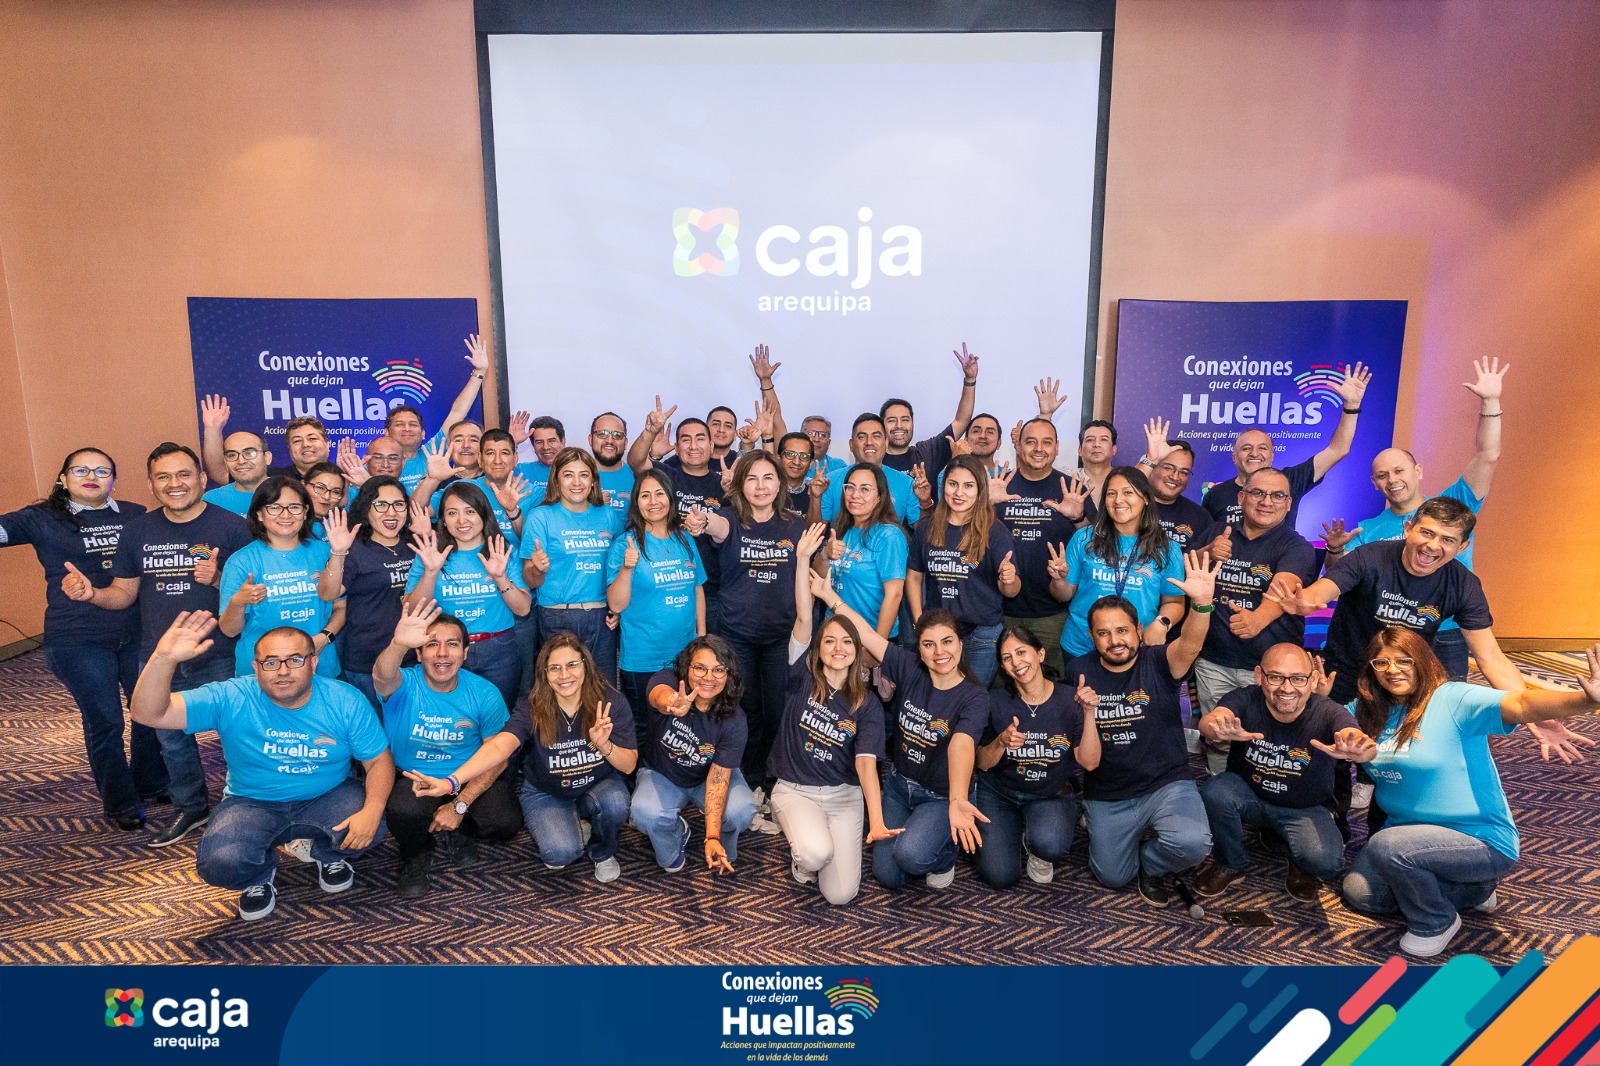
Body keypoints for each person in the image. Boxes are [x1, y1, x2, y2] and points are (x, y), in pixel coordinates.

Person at [1338, 630, 1600, 957]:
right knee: (1362, 894)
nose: (1393, 670)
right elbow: (1329, 721)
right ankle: (1472, 889)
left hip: (1476, 838)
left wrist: (1587, 701)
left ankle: (1436, 921)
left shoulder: (1453, 699)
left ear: (1422, 661)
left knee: (1386, 846)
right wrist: (1313, 696)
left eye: (1404, 661)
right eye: (1382, 662)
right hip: (1407, 833)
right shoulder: (1365, 710)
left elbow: (1520, 703)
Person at [129, 613, 392, 920]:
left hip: (327, 795)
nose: (283, 671)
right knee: (220, 863)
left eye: (295, 660)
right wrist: (163, 659)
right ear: (255, 668)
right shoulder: (231, 696)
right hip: (252, 801)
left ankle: (321, 852)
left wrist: (373, 810)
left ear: (313, 663)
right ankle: (259, 876)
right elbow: (149, 714)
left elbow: (378, 760)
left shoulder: (345, 699)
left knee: (374, 824)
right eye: (271, 662)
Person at [87, 443, 251, 845]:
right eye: (163, 477)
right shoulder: (137, 531)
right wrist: (92, 594)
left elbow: (256, 594)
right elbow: (124, 594)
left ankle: (246, 803)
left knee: (237, 734)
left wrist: (217, 579)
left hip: (222, 651)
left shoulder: (234, 527)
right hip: (160, 655)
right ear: (151, 484)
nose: (174, 483)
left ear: (201, 478)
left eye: (183, 474)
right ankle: (191, 806)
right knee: (171, 740)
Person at [1322, 357, 1508, 679]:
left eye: (1399, 470)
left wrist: (1491, 402)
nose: (1392, 480)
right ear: (1374, 483)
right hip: (1388, 635)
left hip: (1446, 632)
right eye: (1382, 475)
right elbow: (1339, 581)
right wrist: (1336, 550)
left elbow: (1487, 455)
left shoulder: (1453, 505)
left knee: (1442, 703)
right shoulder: (1367, 530)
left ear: (1418, 471)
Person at [1, 449, 154, 829]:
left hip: (135, 632)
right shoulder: (41, 517)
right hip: (78, 640)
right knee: (106, 721)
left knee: (151, 712)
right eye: (81, 470)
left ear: (114, 480)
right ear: (63, 478)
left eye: (102, 471)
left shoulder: (134, 514)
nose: (91, 476)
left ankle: (150, 781)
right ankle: (120, 802)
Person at [808, 582, 990, 892]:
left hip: (942, 796)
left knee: (910, 856)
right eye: (929, 644)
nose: (939, 652)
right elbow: (866, 634)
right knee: (888, 876)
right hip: (898, 787)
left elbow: (961, 744)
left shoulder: (975, 697)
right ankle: (926, 836)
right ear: (919, 649)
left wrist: (958, 799)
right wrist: (829, 597)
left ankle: (945, 857)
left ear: (961, 644)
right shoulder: (909, 667)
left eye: (947, 641)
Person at [1068, 551, 1218, 905]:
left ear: (1138, 630)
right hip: (1109, 791)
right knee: (1112, 876)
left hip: (1166, 783)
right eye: (1103, 633)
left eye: (1122, 630)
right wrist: (1087, 713)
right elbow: (1084, 756)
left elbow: (1190, 643)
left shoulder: (1159, 661)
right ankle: (1113, 833)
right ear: (1091, 637)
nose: (1114, 640)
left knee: (1193, 844)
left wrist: (1201, 605)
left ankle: (1152, 863)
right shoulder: (1078, 672)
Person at [767, 525, 893, 904]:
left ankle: (816, 842)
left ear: (857, 651)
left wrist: (877, 820)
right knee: (815, 853)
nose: (838, 648)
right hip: (795, 790)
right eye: (829, 641)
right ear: (817, 648)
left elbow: (867, 765)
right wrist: (803, 558)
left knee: (840, 895)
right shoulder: (800, 674)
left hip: (843, 797)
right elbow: (805, 617)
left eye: (847, 641)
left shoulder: (868, 704)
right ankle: (804, 856)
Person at [372, 600, 521, 897]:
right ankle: (416, 852)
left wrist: (459, 804)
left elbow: (499, 757)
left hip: (466, 777)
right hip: (415, 779)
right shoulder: (403, 684)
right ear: (418, 653)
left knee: (506, 822)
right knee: (404, 811)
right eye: (432, 644)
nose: (442, 653)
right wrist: (398, 644)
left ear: (465, 653)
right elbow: (381, 675)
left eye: (452, 644)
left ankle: (457, 826)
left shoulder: (484, 692)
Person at [1193, 644, 1361, 901]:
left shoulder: (1327, 710)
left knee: (1326, 862)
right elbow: (1213, 719)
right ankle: (1231, 864)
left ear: (1313, 680)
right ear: (1259, 676)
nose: (1286, 688)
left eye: (1298, 678)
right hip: (1250, 796)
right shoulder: (1245, 697)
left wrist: (1359, 748)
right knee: (1214, 792)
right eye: (1275, 677)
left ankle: (1296, 859)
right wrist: (1215, 729)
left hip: (1304, 808)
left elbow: (1353, 734)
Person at [695, 452, 810, 789]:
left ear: (779, 483)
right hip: (737, 635)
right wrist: (703, 520)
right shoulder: (729, 518)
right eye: (752, 479)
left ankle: (775, 779)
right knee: (746, 709)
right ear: (741, 485)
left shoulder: (795, 525)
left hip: (781, 636)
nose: (760, 486)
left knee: (778, 709)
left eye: (768, 478)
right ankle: (748, 778)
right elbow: (715, 526)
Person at [1191, 468, 1319, 739]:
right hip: (1214, 664)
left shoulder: (1297, 546)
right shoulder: (1217, 531)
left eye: (1277, 495)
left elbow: (1285, 586)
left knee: (1269, 742)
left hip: (1273, 673)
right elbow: (1181, 568)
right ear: (1242, 497)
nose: (1266, 501)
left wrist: (1258, 618)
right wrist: (1207, 552)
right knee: (1219, 739)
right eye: (1257, 493)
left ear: (1288, 503)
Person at [974, 626, 1101, 888]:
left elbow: (1089, 762)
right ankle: (1015, 830)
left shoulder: (1071, 700)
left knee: (1050, 845)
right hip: (999, 793)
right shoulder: (994, 700)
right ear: (1002, 667)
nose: (1016, 662)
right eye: (1007, 658)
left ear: (1041, 654)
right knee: (999, 876)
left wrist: (1089, 713)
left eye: (1021, 652)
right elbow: (982, 763)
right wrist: (1001, 742)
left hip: (1049, 793)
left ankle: (1034, 841)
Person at [632, 637, 758, 874]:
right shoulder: (669, 680)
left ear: (729, 675)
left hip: (707, 777)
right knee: (645, 813)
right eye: (700, 668)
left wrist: (712, 835)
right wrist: (672, 702)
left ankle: (719, 845)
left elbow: (718, 779)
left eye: (718, 670)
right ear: (686, 667)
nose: (709, 678)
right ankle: (678, 831)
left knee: (741, 810)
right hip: (663, 774)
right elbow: (658, 696)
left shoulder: (734, 718)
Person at [1200, 362, 1370, 532]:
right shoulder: (1216, 494)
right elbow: (1204, 539)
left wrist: (1351, 406)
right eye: (1246, 448)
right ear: (1234, 456)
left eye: (1262, 448)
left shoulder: (1290, 480)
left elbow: (1337, 450)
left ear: (1272, 455)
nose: (1254, 453)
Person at [404, 482, 530, 707]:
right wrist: (431, 572)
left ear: (484, 514)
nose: (462, 521)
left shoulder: (503, 551)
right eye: (452, 513)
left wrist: (501, 577)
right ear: (443, 520)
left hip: (498, 650)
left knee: (499, 718)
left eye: (470, 511)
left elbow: (523, 608)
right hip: (444, 650)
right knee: (452, 717)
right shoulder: (430, 553)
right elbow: (411, 610)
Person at [1048, 466, 1185, 660]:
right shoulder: (1084, 538)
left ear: (1146, 498)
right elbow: (1062, 595)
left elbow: (1174, 602)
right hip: (1081, 647)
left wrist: (1162, 623)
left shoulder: (1167, 548)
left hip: (1137, 649)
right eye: (1111, 494)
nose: (1118, 500)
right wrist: (1059, 580)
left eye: (1128, 492)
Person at [990, 416, 1091, 676]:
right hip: (998, 612)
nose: (1038, 448)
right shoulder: (998, 486)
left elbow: (1095, 547)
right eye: (1030, 441)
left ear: (1057, 448)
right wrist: (986, 505)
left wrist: (1078, 517)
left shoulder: (1072, 489)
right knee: (1004, 687)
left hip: (1054, 613)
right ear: (1018, 446)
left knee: (1051, 685)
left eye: (1047, 442)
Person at [907, 455, 1020, 686]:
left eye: (968, 486)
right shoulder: (927, 528)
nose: (959, 493)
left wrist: (1008, 579)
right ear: (943, 486)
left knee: (971, 698)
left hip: (982, 636)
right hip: (937, 633)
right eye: (953, 484)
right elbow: (914, 576)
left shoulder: (995, 532)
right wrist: (919, 621)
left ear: (980, 490)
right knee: (939, 694)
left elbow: (1012, 591)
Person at [605, 468, 707, 716]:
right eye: (645, 495)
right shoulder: (624, 544)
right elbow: (616, 605)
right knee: (645, 727)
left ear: (670, 498)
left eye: (660, 493)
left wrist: (701, 639)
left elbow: (697, 589)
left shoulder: (685, 540)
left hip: (685, 656)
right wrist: (627, 567)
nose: (653, 501)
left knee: (680, 724)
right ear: (636, 502)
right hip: (643, 659)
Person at [218, 477, 343, 679]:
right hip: (262, 672)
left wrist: (324, 638)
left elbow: (341, 606)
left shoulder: (327, 552)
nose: (286, 515)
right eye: (274, 507)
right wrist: (238, 602)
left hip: (319, 663)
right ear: (259, 514)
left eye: (294, 507)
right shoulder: (241, 562)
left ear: (305, 512)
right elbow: (229, 630)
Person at [523, 447, 624, 683]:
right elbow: (530, 579)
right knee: (561, 689)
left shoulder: (608, 515)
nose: (576, 482)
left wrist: (619, 610)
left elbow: (621, 569)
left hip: (602, 618)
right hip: (557, 617)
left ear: (593, 480)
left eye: (584, 475)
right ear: (556, 480)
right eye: (568, 475)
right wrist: (537, 569)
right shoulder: (540, 517)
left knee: (603, 689)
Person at [318, 476, 419, 710]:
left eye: (398, 504)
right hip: (367, 661)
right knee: (375, 726)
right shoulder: (356, 549)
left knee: (408, 725)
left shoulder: (414, 544)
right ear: (366, 509)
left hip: (413, 658)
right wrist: (338, 552)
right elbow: (327, 593)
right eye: (381, 505)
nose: (391, 512)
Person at [627, 403, 726, 631]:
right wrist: (650, 431)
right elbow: (635, 461)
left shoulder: (724, 484)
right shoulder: (664, 476)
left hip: (712, 590)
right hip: (666, 584)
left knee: (707, 649)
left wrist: (733, 491)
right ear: (677, 447)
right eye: (685, 439)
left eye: (700, 439)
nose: (693, 446)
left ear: (711, 445)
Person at [391, 334, 490, 492]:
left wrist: (480, 372)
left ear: (423, 433)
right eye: (399, 424)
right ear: (386, 433)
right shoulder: (379, 463)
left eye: (413, 424)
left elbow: (458, 412)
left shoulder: (432, 453)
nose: (407, 429)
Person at [820, 463, 908, 640]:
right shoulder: (842, 529)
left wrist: (877, 647)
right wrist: (825, 555)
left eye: (865, 489)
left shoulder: (889, 535)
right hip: (835, 633)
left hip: (869, 636)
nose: (855, 495)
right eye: (850, 487)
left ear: (880, 497)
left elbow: (894, 595)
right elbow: (819, 578)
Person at [880, 341, 980, 474]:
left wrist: (970, 380)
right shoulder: (874, 459)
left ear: (912, 423)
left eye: (905, 420)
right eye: (892, 420)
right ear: (882, 426)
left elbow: (961, 421)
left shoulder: (927, 453)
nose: (899, 426)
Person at [815, 414, 922, 528]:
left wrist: (925, 503)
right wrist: (815, 498)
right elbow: (814, 531)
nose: (869, 442)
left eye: (876, 436)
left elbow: (922, 531)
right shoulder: (830, 481)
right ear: (851, 445)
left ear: (886, 443)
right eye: (862, 437)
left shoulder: (906, 483)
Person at [1135, 418, 1211, 554]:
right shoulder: (1130, 505)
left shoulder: (1200, 517)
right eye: (1168, 468)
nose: (1175, 477)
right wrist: (1151, 459)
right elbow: (1125, 486)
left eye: (1184, 472)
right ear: (1154, 467)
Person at [201, 426, 273, 517]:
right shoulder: (211, 500)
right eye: (232, 455)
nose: (241, 461)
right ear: (225, 461)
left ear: (267, 457)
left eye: (249, 453)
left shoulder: (287, 494)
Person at [589, 412, 636, 520]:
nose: (609, 441)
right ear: (590, 439)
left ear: (626, 443)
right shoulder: (576, 477)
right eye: (602, 434)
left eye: (617, 435)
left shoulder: (636, 474)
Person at [512, 414, 566, 499]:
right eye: (539, 442)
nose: (546, 447)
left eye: (551, 441)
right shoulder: (521, 471)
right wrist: (512, 443)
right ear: (532, 445)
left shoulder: (578, 470)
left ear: (563, 441)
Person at [1075, 420, 1119, 508]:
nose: (1096, 444)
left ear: (1114, 449)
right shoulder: (1065, 478)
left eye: (1103, 439)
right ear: (1079, 449)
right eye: (1090, 440)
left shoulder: (1125, 480)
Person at [301, 461, 347, 539]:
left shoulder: (345, 523)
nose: (327, 497)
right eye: (320, 488)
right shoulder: (289, 521)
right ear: (303, 484)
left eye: (336, 492)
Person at [801, 416, 848, 482]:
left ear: (829, 442)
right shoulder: (791, 462)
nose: (816, 439)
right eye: (811, 433)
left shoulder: (838, 466)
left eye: (823, 435)